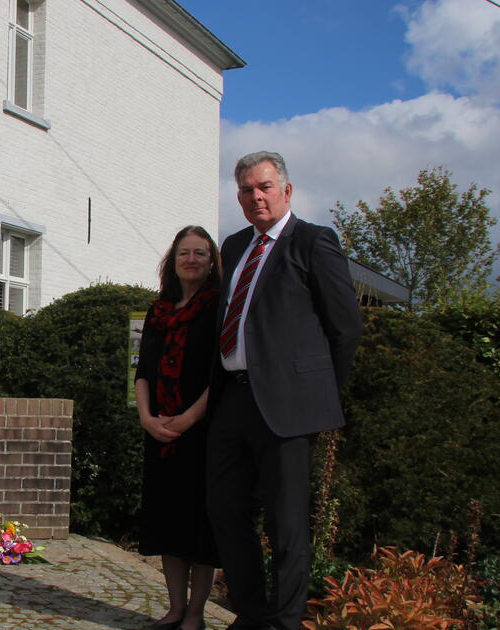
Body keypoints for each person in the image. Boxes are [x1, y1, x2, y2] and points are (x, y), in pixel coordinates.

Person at [207, 152, 362, 630]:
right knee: (226, 512)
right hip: (232, 399)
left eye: (265, 187)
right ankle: (250, 615)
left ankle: (284, 623)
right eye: (246, 190)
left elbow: (345, 327)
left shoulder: (314, 242)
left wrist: (318, 395)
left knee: (287, 524)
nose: (256, 196)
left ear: (286, 191)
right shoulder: (232, 247)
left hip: (289, 408)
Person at [136, 226, 222, 630]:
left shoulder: (219, 307)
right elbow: (143, 372)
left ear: (211, 261)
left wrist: (187, 419)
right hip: (160, 434)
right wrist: (147, 418)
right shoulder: (158, 310)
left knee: (199, 527)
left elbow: (220, 374)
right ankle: (174, 608)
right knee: (168, 522)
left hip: (202, 434)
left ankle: (196, 614)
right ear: (173, 260)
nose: (191, 259)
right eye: (184, 252)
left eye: (200, 253)